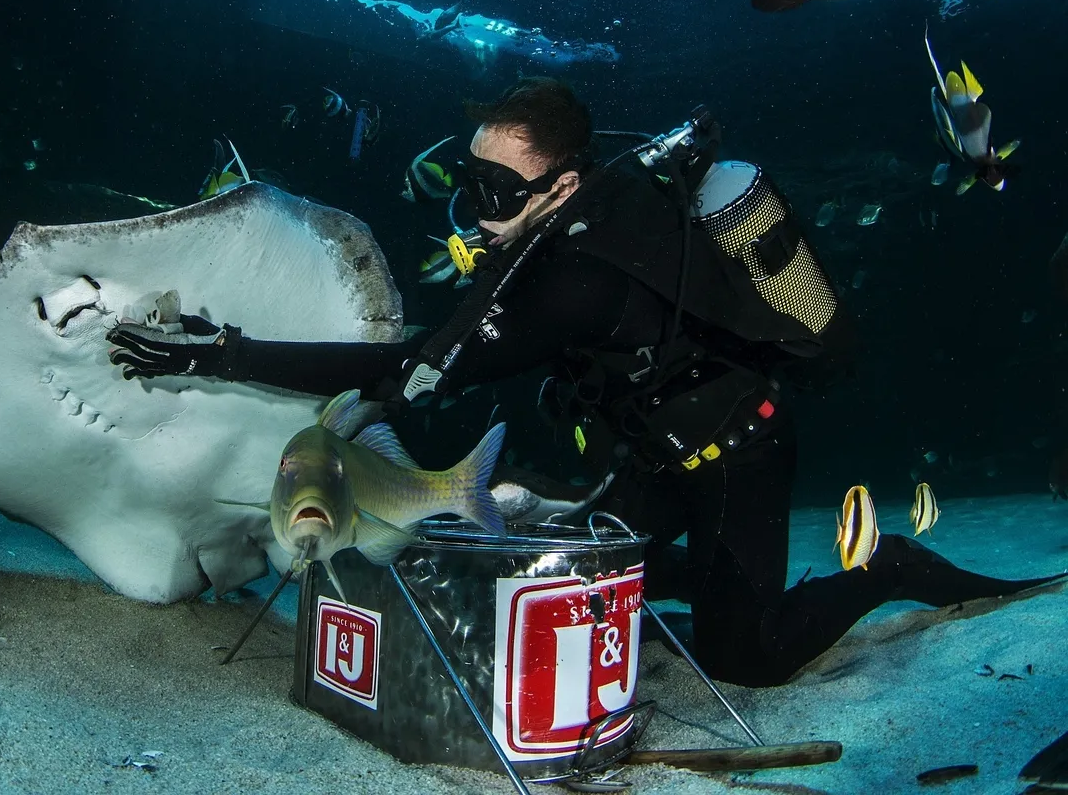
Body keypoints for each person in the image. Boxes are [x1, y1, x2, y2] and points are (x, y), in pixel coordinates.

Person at [106, 77, 1062, 687]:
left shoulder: (573, 277)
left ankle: (885, 569)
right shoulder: (548, 242)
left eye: (493, 194)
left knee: (746, 659)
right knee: (577, 574)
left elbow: (414, 367)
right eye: (466, 184)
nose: (472, 212)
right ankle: (702, 582)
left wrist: (220, 352)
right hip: (653, 448)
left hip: (737, 453)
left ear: (562, 187)